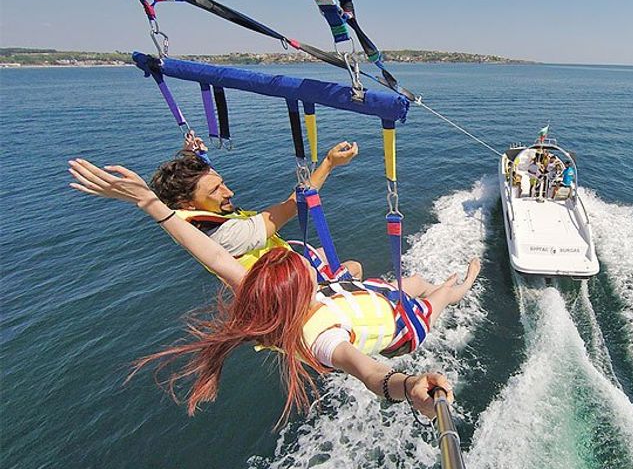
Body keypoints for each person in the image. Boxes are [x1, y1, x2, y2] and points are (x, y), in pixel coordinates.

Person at [67, 158, 480, 424]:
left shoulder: (263, 291)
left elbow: (213, 257)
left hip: (349, 302)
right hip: (402, 331)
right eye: (307, 272)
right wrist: (408, 388)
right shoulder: (320, 339)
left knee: (404, 283)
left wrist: (151, 204)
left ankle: (427, 288)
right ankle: (452, 293)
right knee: (434, 294)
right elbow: (369, 372)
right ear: (304, 287)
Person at [152, 132, 362, 279]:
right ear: (187, 204)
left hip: (274, 272)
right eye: (216, 190)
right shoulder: (230, 236)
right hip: (290, 294)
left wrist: (192, 155)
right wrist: (329, 163)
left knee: (321, 253)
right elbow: (293, 205)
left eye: (222, 183)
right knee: (354, 268)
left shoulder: (186, 221)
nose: (229, 192)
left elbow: (199, 185)